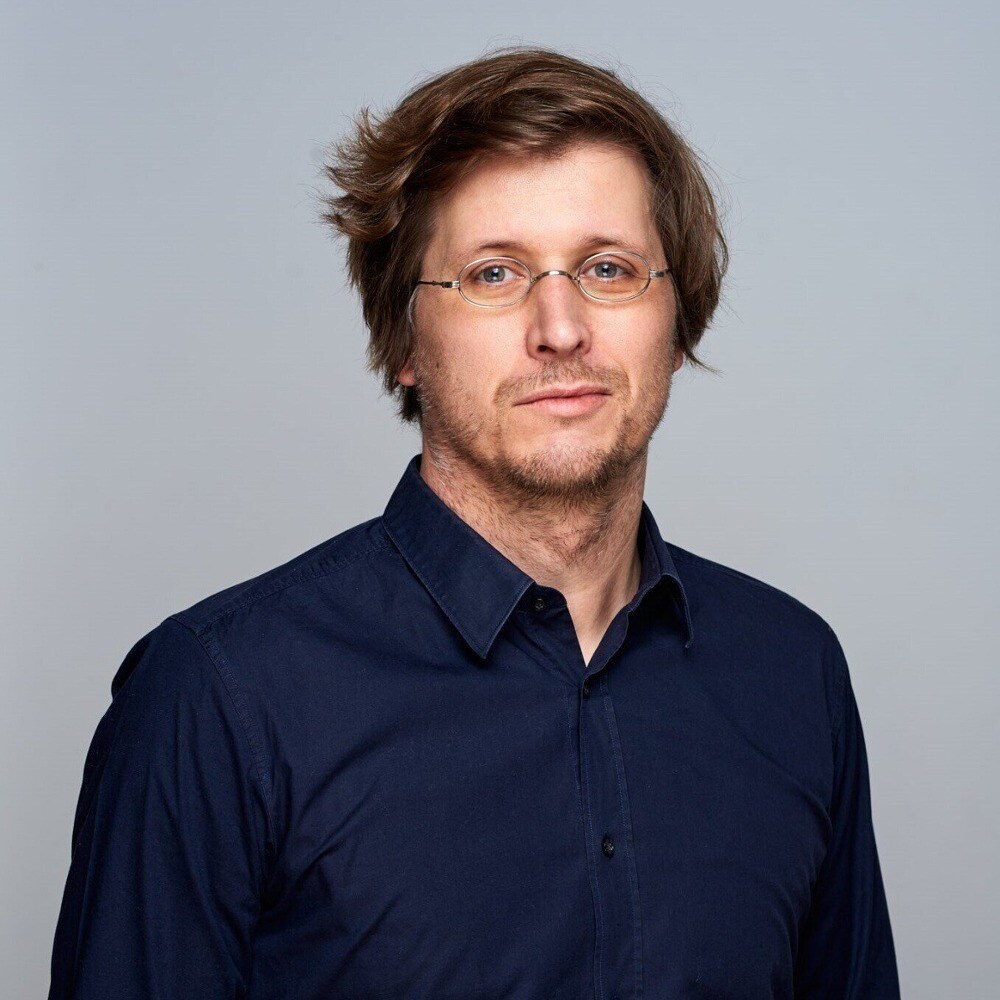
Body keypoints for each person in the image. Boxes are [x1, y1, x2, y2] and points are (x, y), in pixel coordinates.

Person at [48, 45, 900, 999]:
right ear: (404, 339)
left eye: (609, 268)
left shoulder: (793, 674)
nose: (561, 328)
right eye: (494, 274)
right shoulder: (217, 698)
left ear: (676, 318)